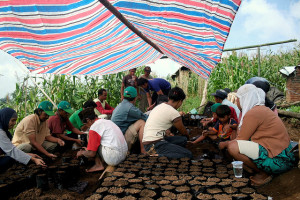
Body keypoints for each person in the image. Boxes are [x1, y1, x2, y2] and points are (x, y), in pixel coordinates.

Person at [219, 84, 295, 187]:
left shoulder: (254, 113)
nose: (236, 102)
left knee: (233, 147)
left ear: (245, 99)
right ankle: (253, 170)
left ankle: (263, 173)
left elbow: (240, 140)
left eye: (238, 99)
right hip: (283, 156)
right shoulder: (260, 110)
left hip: (279, 161)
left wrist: (225, 143)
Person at [142, 87, 192, 159]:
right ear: (180, 101)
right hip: (155, 144)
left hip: (148, 142)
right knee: (188, 154)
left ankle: (164, 151)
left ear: (168, 98)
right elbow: (183, 131)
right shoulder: (174, 113)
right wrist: (188, 137)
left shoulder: (159, 107)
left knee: (183, 140)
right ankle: (156, 156)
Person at [77, 108, 127, 172]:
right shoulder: (107, 121)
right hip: (124, 155)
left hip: (114, 158)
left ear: (88, 120)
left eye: (85, 124)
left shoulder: (94, 127)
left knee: (90, 139)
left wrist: (82, 152)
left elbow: (92, 154)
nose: (87, 126)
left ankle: (98, 165)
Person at [0, 108, 46, 172]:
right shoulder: (0, 133)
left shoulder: (3, 130)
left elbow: (7, 150)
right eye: (12, 120)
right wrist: (33, 159)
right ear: (5, 118)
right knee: (11, 159)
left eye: (15, 121)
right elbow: (11, 151)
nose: (14, 123)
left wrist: (27, 155)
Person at [111, 86, 147, 154]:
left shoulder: (120, 105)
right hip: (121, 142)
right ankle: (143, 150)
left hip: (115, 140)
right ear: (135, 97)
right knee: (141, 122)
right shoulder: (130, 108)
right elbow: (145, 118)